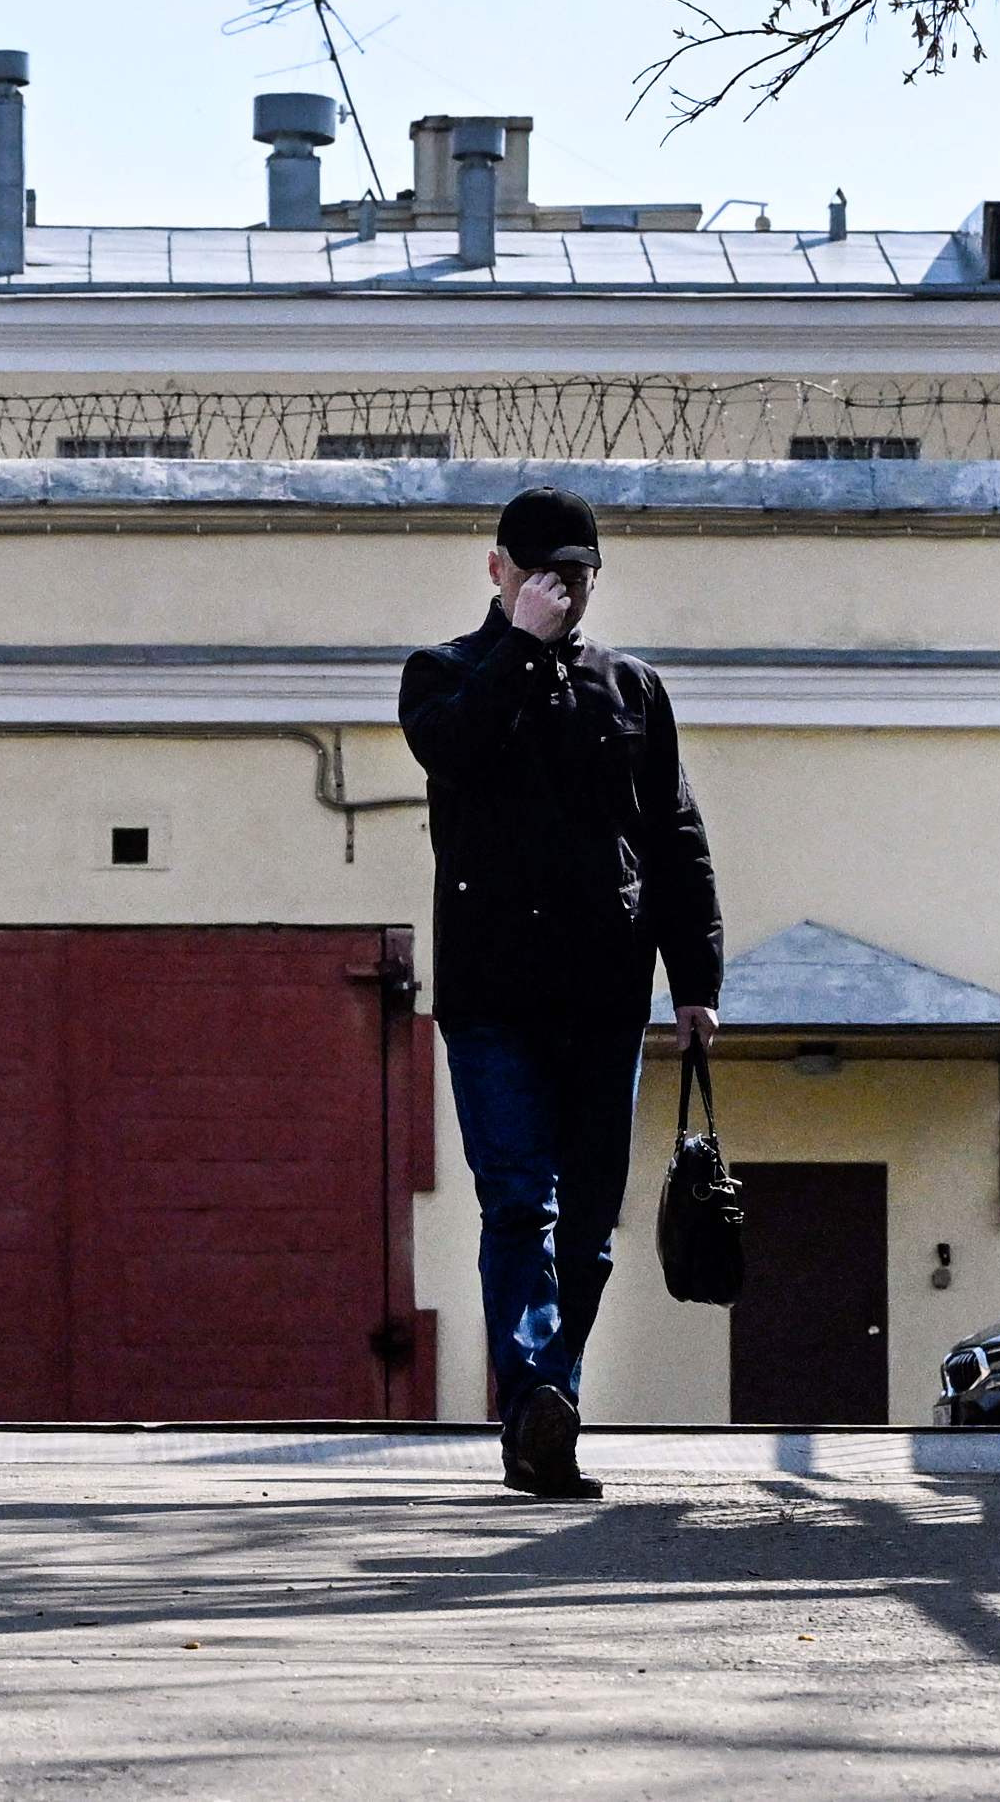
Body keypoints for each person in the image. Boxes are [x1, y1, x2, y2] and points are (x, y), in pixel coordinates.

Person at [399, 484, 723, 1499]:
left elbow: (673, 837)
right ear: (496, 570)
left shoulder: (631, 689)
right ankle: (539, 1396)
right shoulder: (443, 674)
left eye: (575, 576)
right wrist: (520, 646)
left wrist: (695, 980)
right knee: (518, 1206)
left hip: (603, 994)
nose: (559, 592)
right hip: (493, 997)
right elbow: (451, 748)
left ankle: (545, 1411)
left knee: (586, 1226)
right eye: (539, 574)